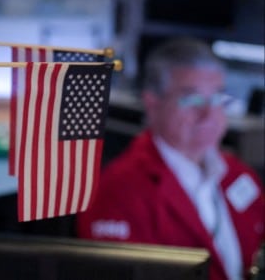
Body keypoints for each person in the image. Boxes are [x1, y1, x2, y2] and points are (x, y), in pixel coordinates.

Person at [76, 37, 265, 280]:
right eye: (192, 99)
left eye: (217, 98)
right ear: (152, 103)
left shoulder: (240, 176)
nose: (209, 115)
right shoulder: (117, 192)